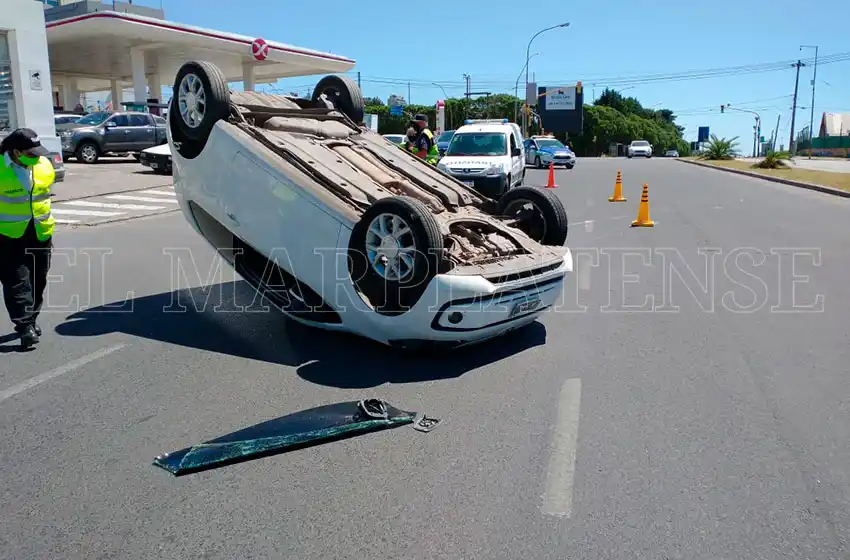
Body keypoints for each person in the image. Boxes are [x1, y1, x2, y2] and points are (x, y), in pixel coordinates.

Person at [0, 128, 56, 349]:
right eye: (30, 153)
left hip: (40, 231)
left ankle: (31, 319)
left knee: (38, 278)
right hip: (8, 234)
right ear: (15, 152)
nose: (36, 157)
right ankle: (24, 327)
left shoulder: (43, 165)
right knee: (16, 281)